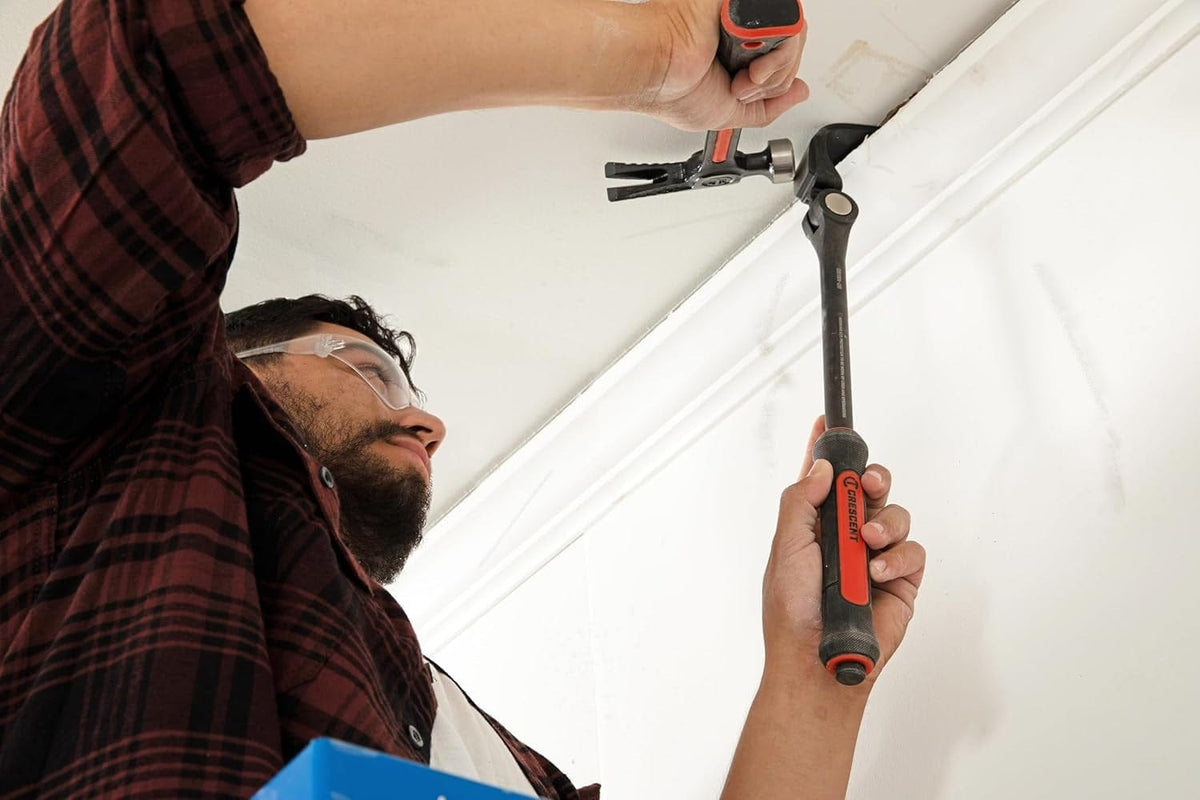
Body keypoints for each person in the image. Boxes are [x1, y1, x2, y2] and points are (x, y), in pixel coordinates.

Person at [0, 0, 926, 796]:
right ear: (231, 366)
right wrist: (658, 51)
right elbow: (141, 65)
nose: (429, 422)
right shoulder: (93, 451)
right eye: (365, 369)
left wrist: (814, 677)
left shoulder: (487, 751)